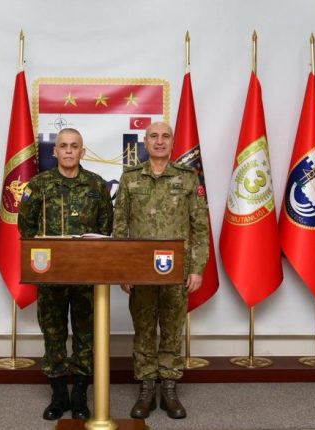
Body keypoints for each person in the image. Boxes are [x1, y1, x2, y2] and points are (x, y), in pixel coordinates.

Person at [113, 121, 209, 419]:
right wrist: (123, 269)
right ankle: (146, 389)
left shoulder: (187, 177)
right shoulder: (130, 178)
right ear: (145, 142)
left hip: (176, 270)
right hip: (140, 270)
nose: (159, 141)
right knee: (143, 329)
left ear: (172, 142)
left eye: (165, 136)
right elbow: (120, 227)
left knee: (171, 329)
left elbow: (200, 227)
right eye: (153, 136)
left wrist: (197, 268)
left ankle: (168, 389)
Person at [18, 128, 114, 420]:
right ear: (55, 151)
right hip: (51, 276)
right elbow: (26, 227)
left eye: (74, 146)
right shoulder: (39, 185)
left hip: (86, 276)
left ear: (82, 152)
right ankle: (59, 396)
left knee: (86, 335)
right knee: (54, 333)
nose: (69, 151)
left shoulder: (96, 185)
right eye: (63, 146)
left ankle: (80, 397)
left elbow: (105, 228)